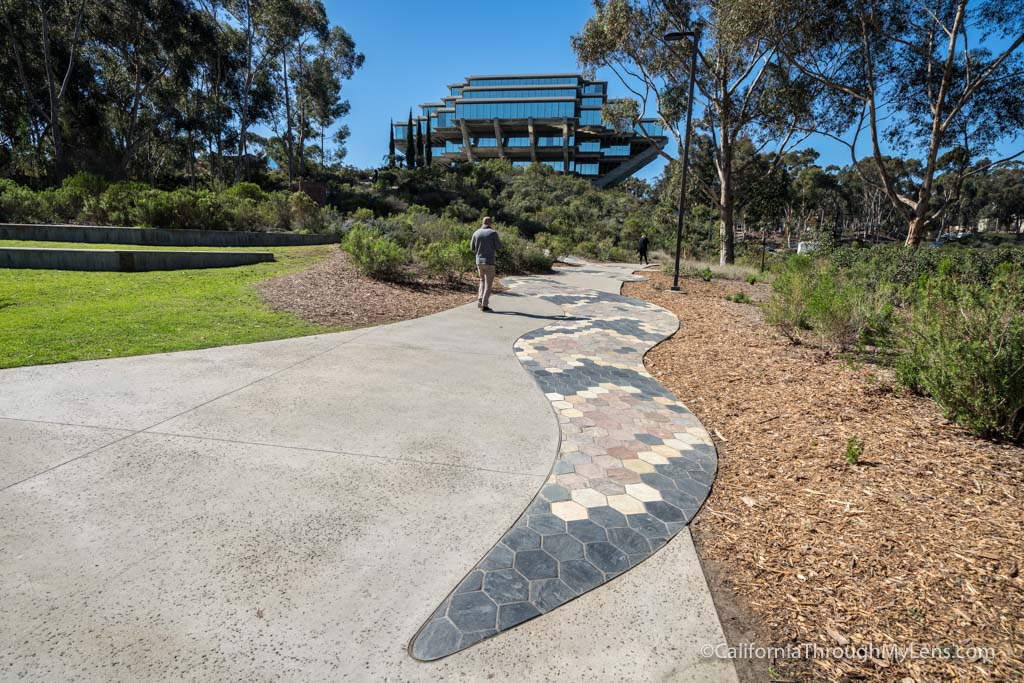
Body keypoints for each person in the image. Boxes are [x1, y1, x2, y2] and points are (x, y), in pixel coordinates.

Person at [471, 216, 501, 312]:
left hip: (479, 262)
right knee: (488, 284)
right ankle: (484, 305)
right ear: (490, 223)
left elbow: (472, 248)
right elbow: (499, 246)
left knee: (482, 280)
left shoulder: (476, 233)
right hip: (489, 262)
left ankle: (480, 298)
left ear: (482, 222)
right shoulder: (493, 233)